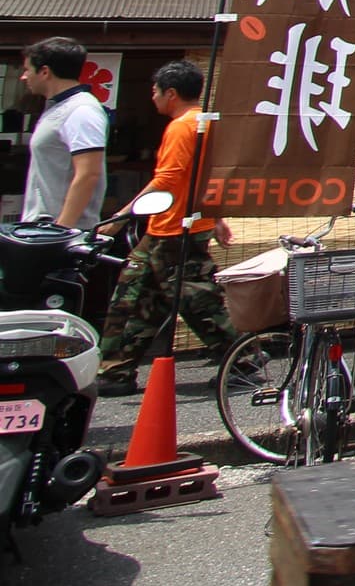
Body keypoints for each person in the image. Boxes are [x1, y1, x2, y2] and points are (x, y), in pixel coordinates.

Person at [94, 61, 235, 396]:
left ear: (171, 93)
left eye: (155, 90)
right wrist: (214, 217)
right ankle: (116, 370)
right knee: (136, 297)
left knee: (196, 302)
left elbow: (168, 179)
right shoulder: (203, 123)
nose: (152, 96)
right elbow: (206, 177)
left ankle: (241, 360)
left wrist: (123, 216)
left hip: (175, 229)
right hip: (172, 227)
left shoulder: (182, 127)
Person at [17, 35, 107, 228]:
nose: (23, 77)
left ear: (44, 72)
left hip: (61, 233)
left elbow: (89, 173)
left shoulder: (81, 110)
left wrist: (62, 230)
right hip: (41, 229)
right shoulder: (58, 107)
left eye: (27, 70)